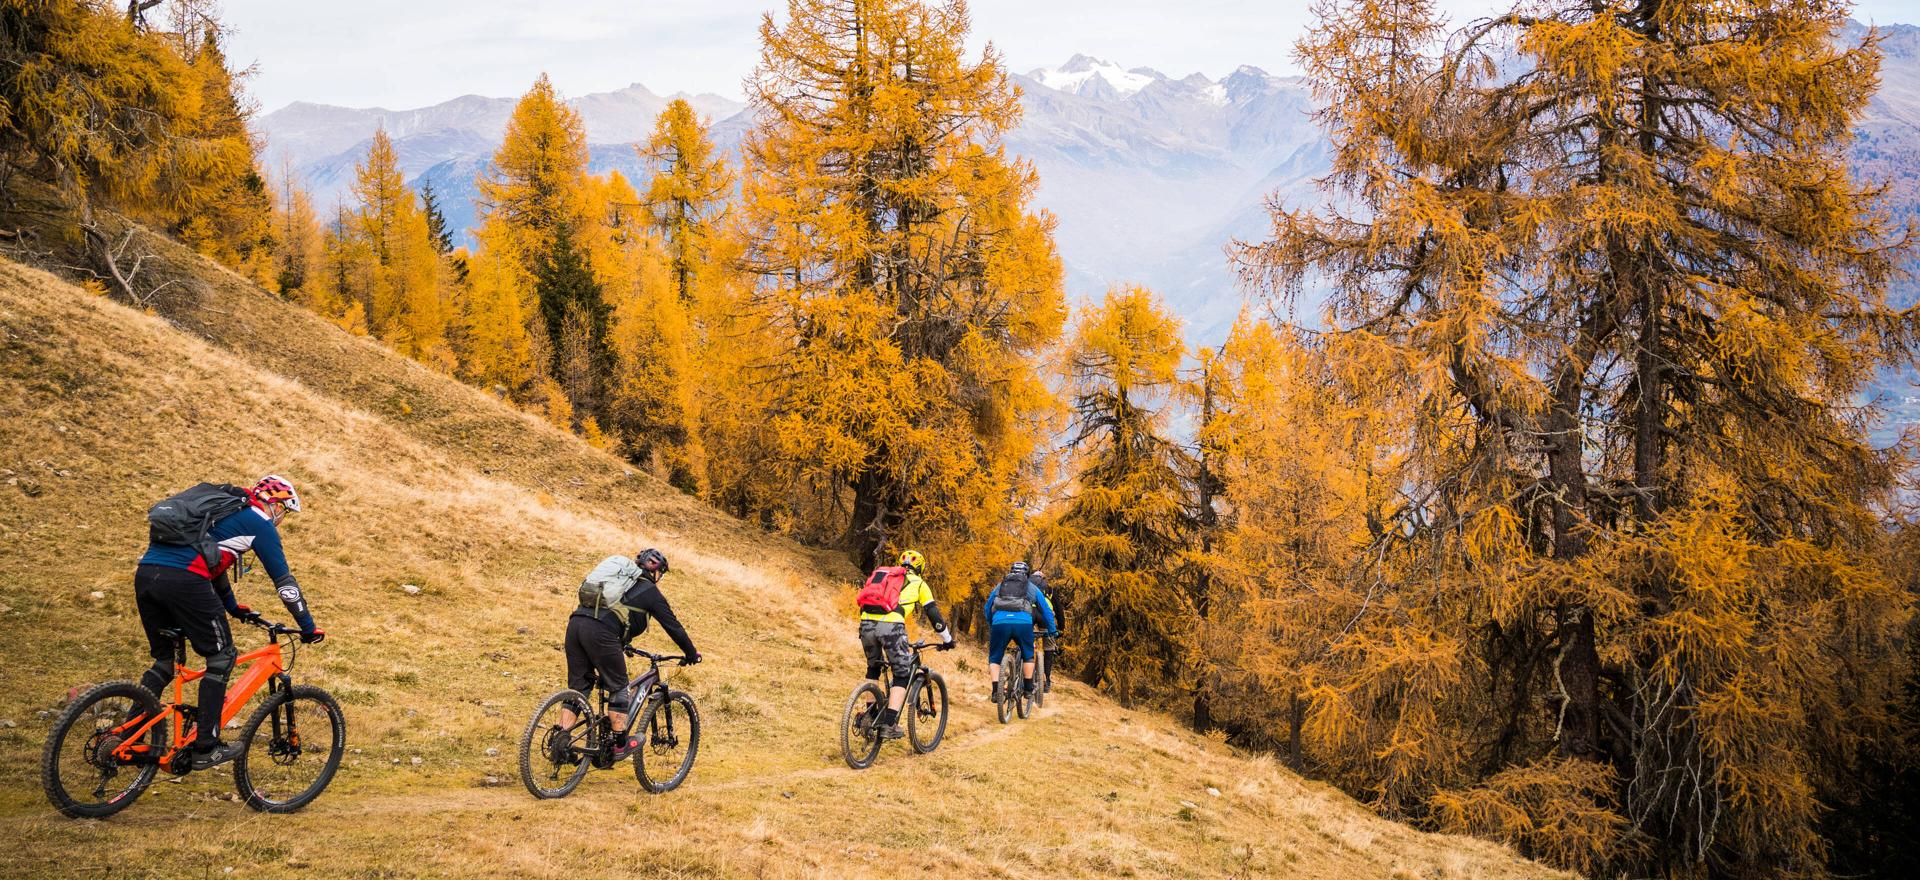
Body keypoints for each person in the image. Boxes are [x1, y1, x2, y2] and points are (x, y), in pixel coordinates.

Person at [134, 475, 322, 770]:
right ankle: (206, 747)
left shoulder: (219, 514)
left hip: (146, 575)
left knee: (164, 663)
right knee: (222, 658)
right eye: (284, 511)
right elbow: (285, 583)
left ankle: (125, 737)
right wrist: (307, 626)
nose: (282, 518)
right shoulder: (260, 523)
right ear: (275, 505)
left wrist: (233, 608)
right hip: (185, 580)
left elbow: (213, 563)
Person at [560, 548, 700, 761]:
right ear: (656, 572)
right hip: (601, 634)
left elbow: (618, 615)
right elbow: (674, 627)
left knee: (579, 688)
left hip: (576, 625)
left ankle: (561, 742)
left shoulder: (619, 582)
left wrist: (621, 642)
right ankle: (619, 744)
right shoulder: (650, 591)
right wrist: (691, 653)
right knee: (619, 687)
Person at [859, 549, 954, 740]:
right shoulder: (919, 583)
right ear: (920, 568)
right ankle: (889, 725)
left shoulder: (885, 576)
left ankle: (869, 716)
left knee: (873, 668)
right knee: (901, 674)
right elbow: (934, 615)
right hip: (891, 627)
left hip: (866, 623)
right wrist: (947, 639)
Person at [983, 561, 1056, 704]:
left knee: (995, 658)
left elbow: (988, 607)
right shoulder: (1032, 587)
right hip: (1023, 624)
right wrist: (1052, 630)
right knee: (1028, 655)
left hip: (1000, 623)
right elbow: (1046, 611)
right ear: (1027, 575)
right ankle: (1028, 689)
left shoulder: (1000, 585)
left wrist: (992, 623)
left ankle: (995, 691)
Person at [1029, 570, 1062, 693]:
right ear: (1043, 579)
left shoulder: (1026, 586)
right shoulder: (1050, 590)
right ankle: (1047, 679)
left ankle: (1026, 673)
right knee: (1049, 648)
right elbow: (1059, 611)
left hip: (1029, 616)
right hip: (1045, 619)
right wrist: (1061, 628)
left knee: (1027, 642)